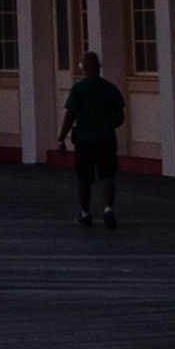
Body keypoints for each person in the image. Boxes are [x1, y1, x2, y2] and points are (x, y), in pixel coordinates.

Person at [61, 52, 128, 228]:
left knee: (84, 178)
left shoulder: (78, 88)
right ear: (99, 66)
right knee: (107, 175)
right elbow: (120, 116)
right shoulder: (110, 88)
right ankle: (108, 209)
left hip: (84, 138)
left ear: (85, 67)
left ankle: (85, 213)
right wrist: (107, 123)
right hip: (106, 137)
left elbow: (70, 114)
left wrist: (61, 138)